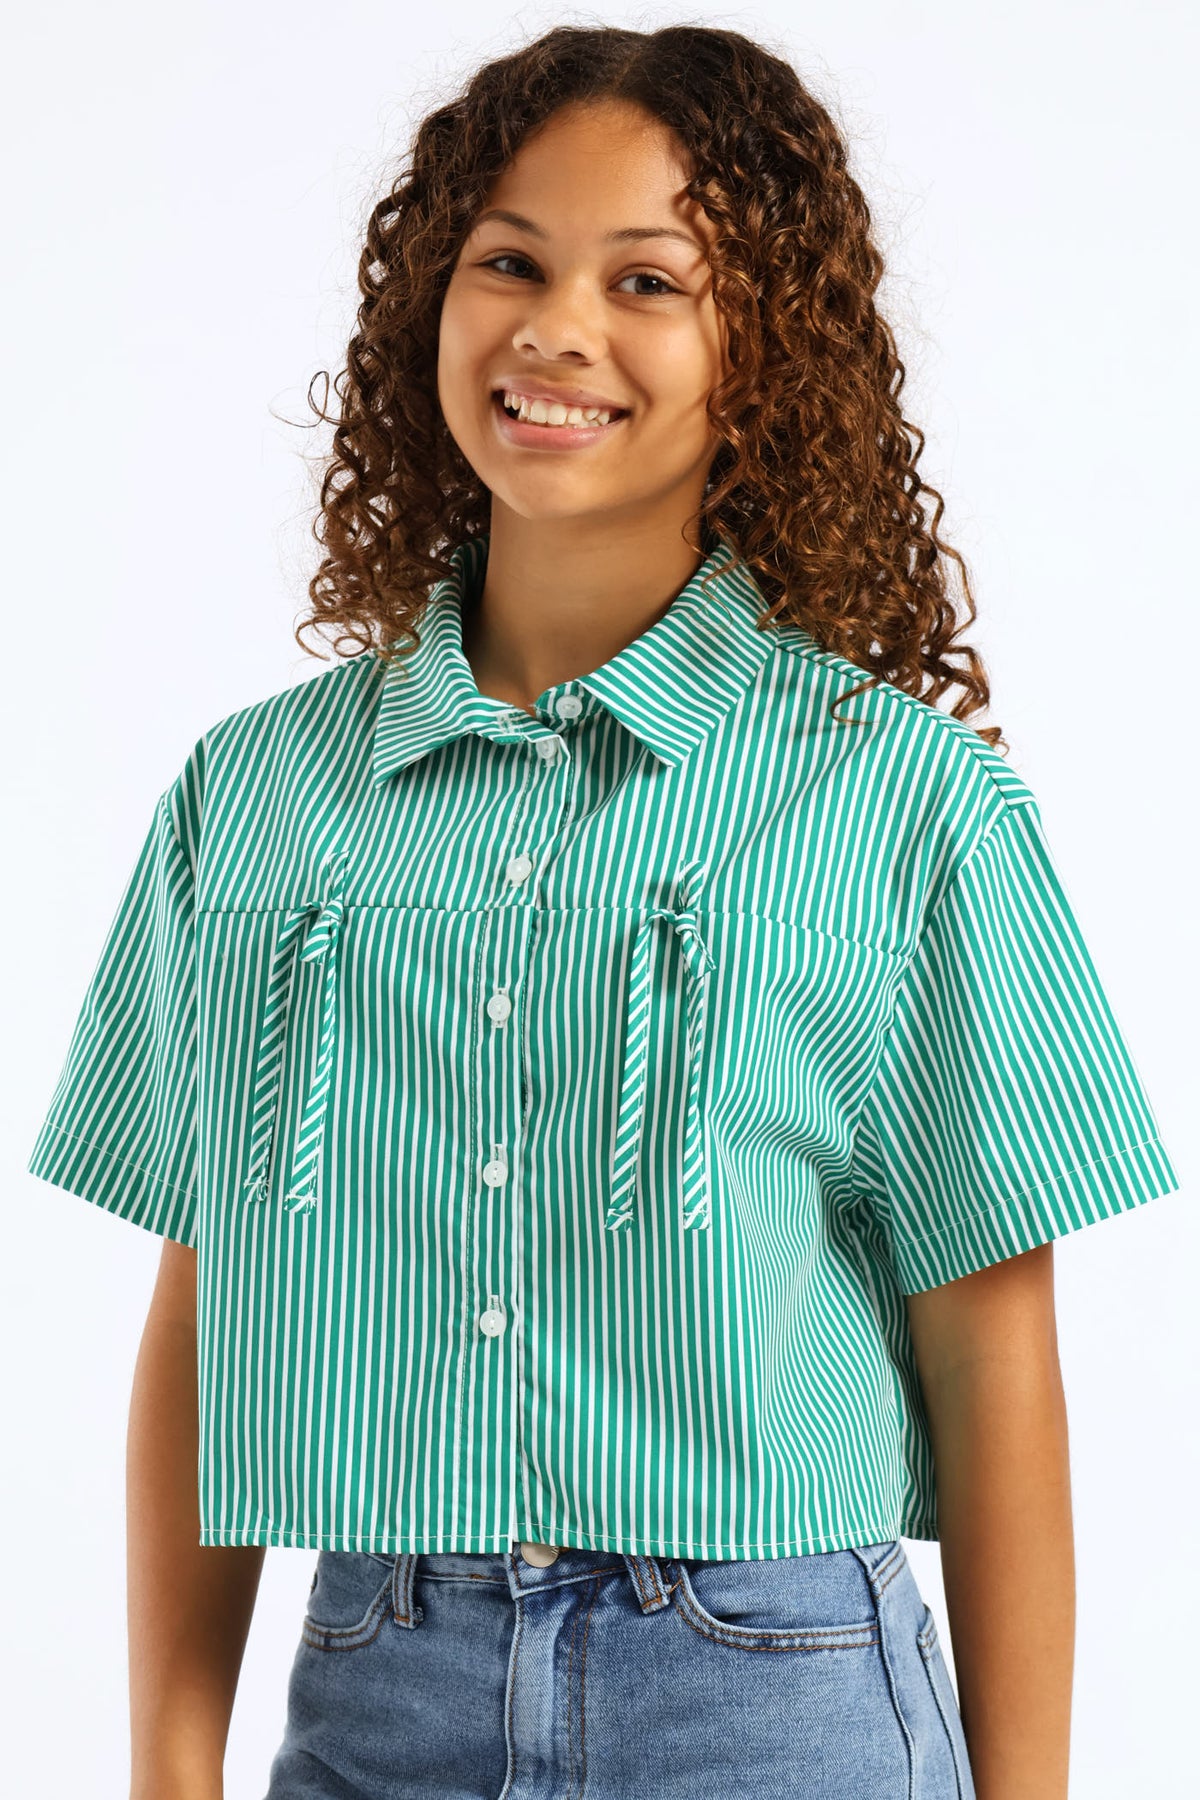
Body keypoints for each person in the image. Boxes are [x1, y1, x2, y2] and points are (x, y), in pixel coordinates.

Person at [26, 24, 1181, 1800]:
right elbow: (200, 1304)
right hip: (378, 1691)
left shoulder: (904, 805)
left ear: (762, 352)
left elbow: (994, 1354)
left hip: (773, 1694)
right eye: (510, 261)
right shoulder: (250, 797)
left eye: (647, 280)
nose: (557, 328)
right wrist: (168, 1768)